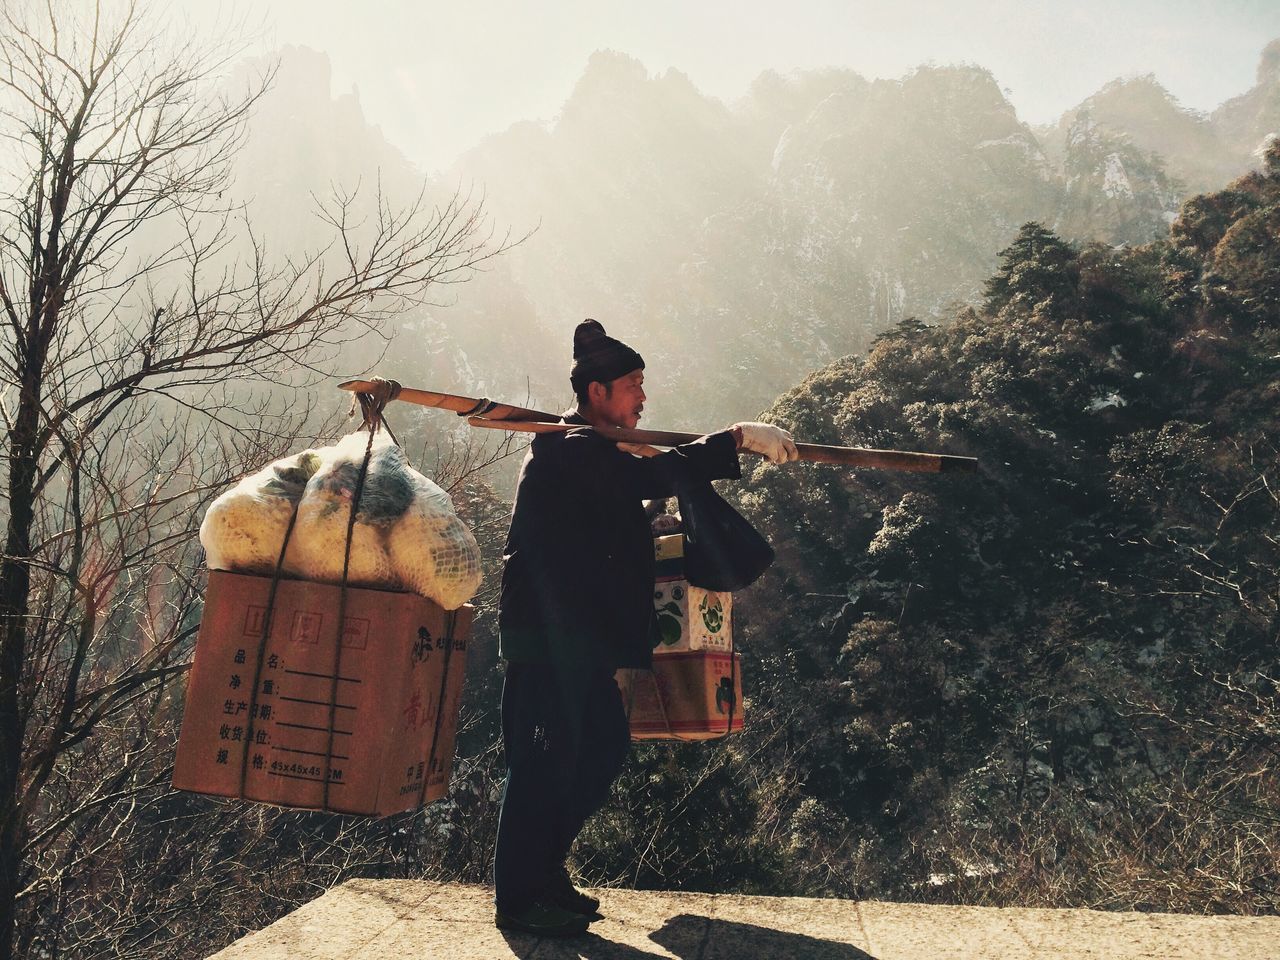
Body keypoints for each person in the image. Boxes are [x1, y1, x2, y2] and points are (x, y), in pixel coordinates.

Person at [492, 319, 798, 937]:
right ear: (598, 392)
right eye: (633, 385)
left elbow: (626, 500)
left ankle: (545, 873)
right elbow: (647, 478)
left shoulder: (590, 449)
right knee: (542, 763)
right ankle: (521, 899)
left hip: (580, 637)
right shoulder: (567, 446)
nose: (643, 398)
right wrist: (736, 438)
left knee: (600, 748)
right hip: (548, 638)